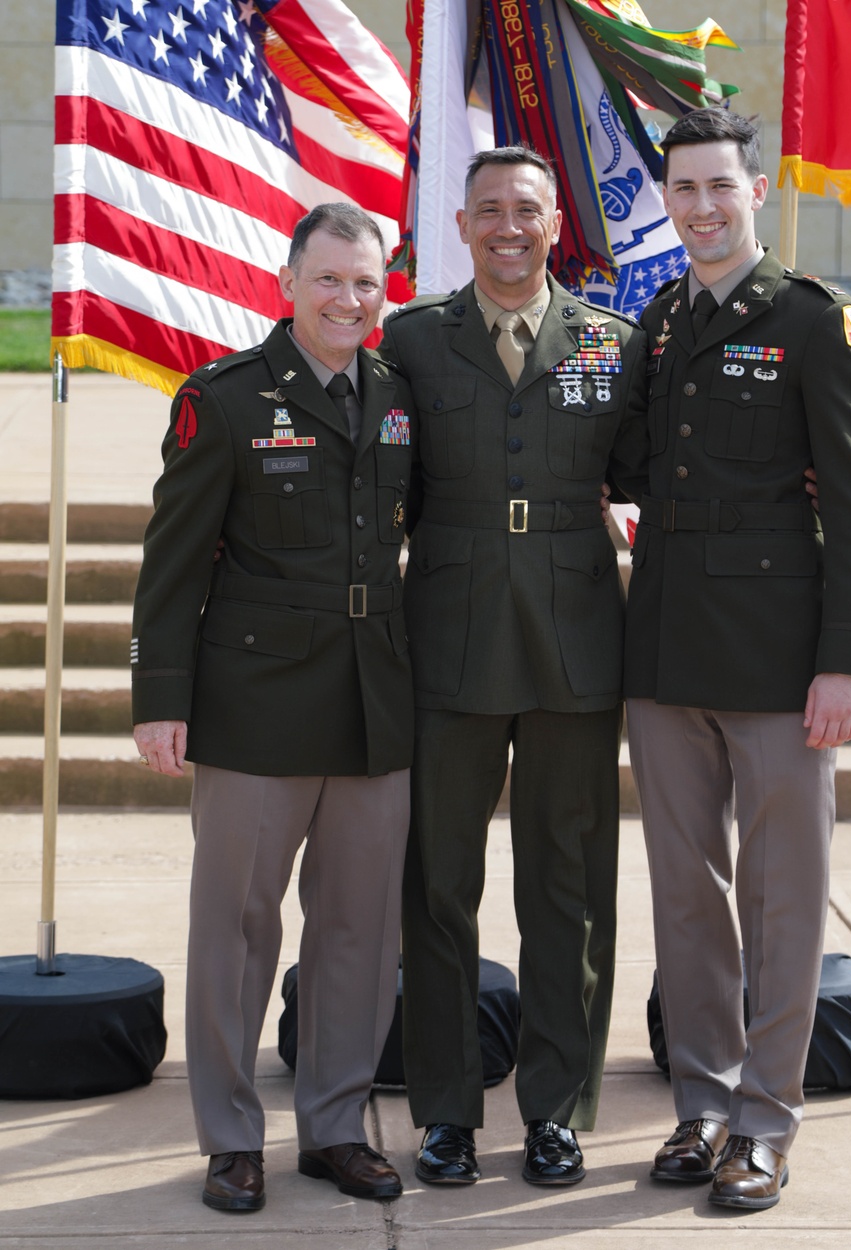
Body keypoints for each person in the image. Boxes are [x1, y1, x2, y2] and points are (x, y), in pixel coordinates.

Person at [625, 109, 851, 1211]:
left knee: (784, 899)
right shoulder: (659, 315)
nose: (700, 207)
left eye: (718, 187)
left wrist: (846, 662)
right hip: (665, 657)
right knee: (685, 896)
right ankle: (701, 1100)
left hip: (783, 665)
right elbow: (633, 463)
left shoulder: (816, 323)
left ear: (756, 190)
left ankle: (765, 1120)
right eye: (682, 189)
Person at [131, 204, 415, 1211]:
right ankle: (230, 1136)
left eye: (366, 282)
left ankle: (335, 1126)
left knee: (356, 928)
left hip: (375, 697)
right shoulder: (229, 397)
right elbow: (173, 563)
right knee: (236, 926)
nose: (348, 299)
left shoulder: (397, 394)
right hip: (254, 699)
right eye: (329, 279)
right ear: (287, 282)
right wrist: (161, 697)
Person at [379, 147, 648, 1187]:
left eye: (524, 209)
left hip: (576, 636)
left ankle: (555, 1105)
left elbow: (658, 463)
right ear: (460, 223)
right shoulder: (410, 342)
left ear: (552, 222)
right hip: (445, 634)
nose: (506, 226)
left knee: (567, 884)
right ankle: (445, 1108)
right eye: (487, 209)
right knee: (439, 882)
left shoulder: (611, 344)